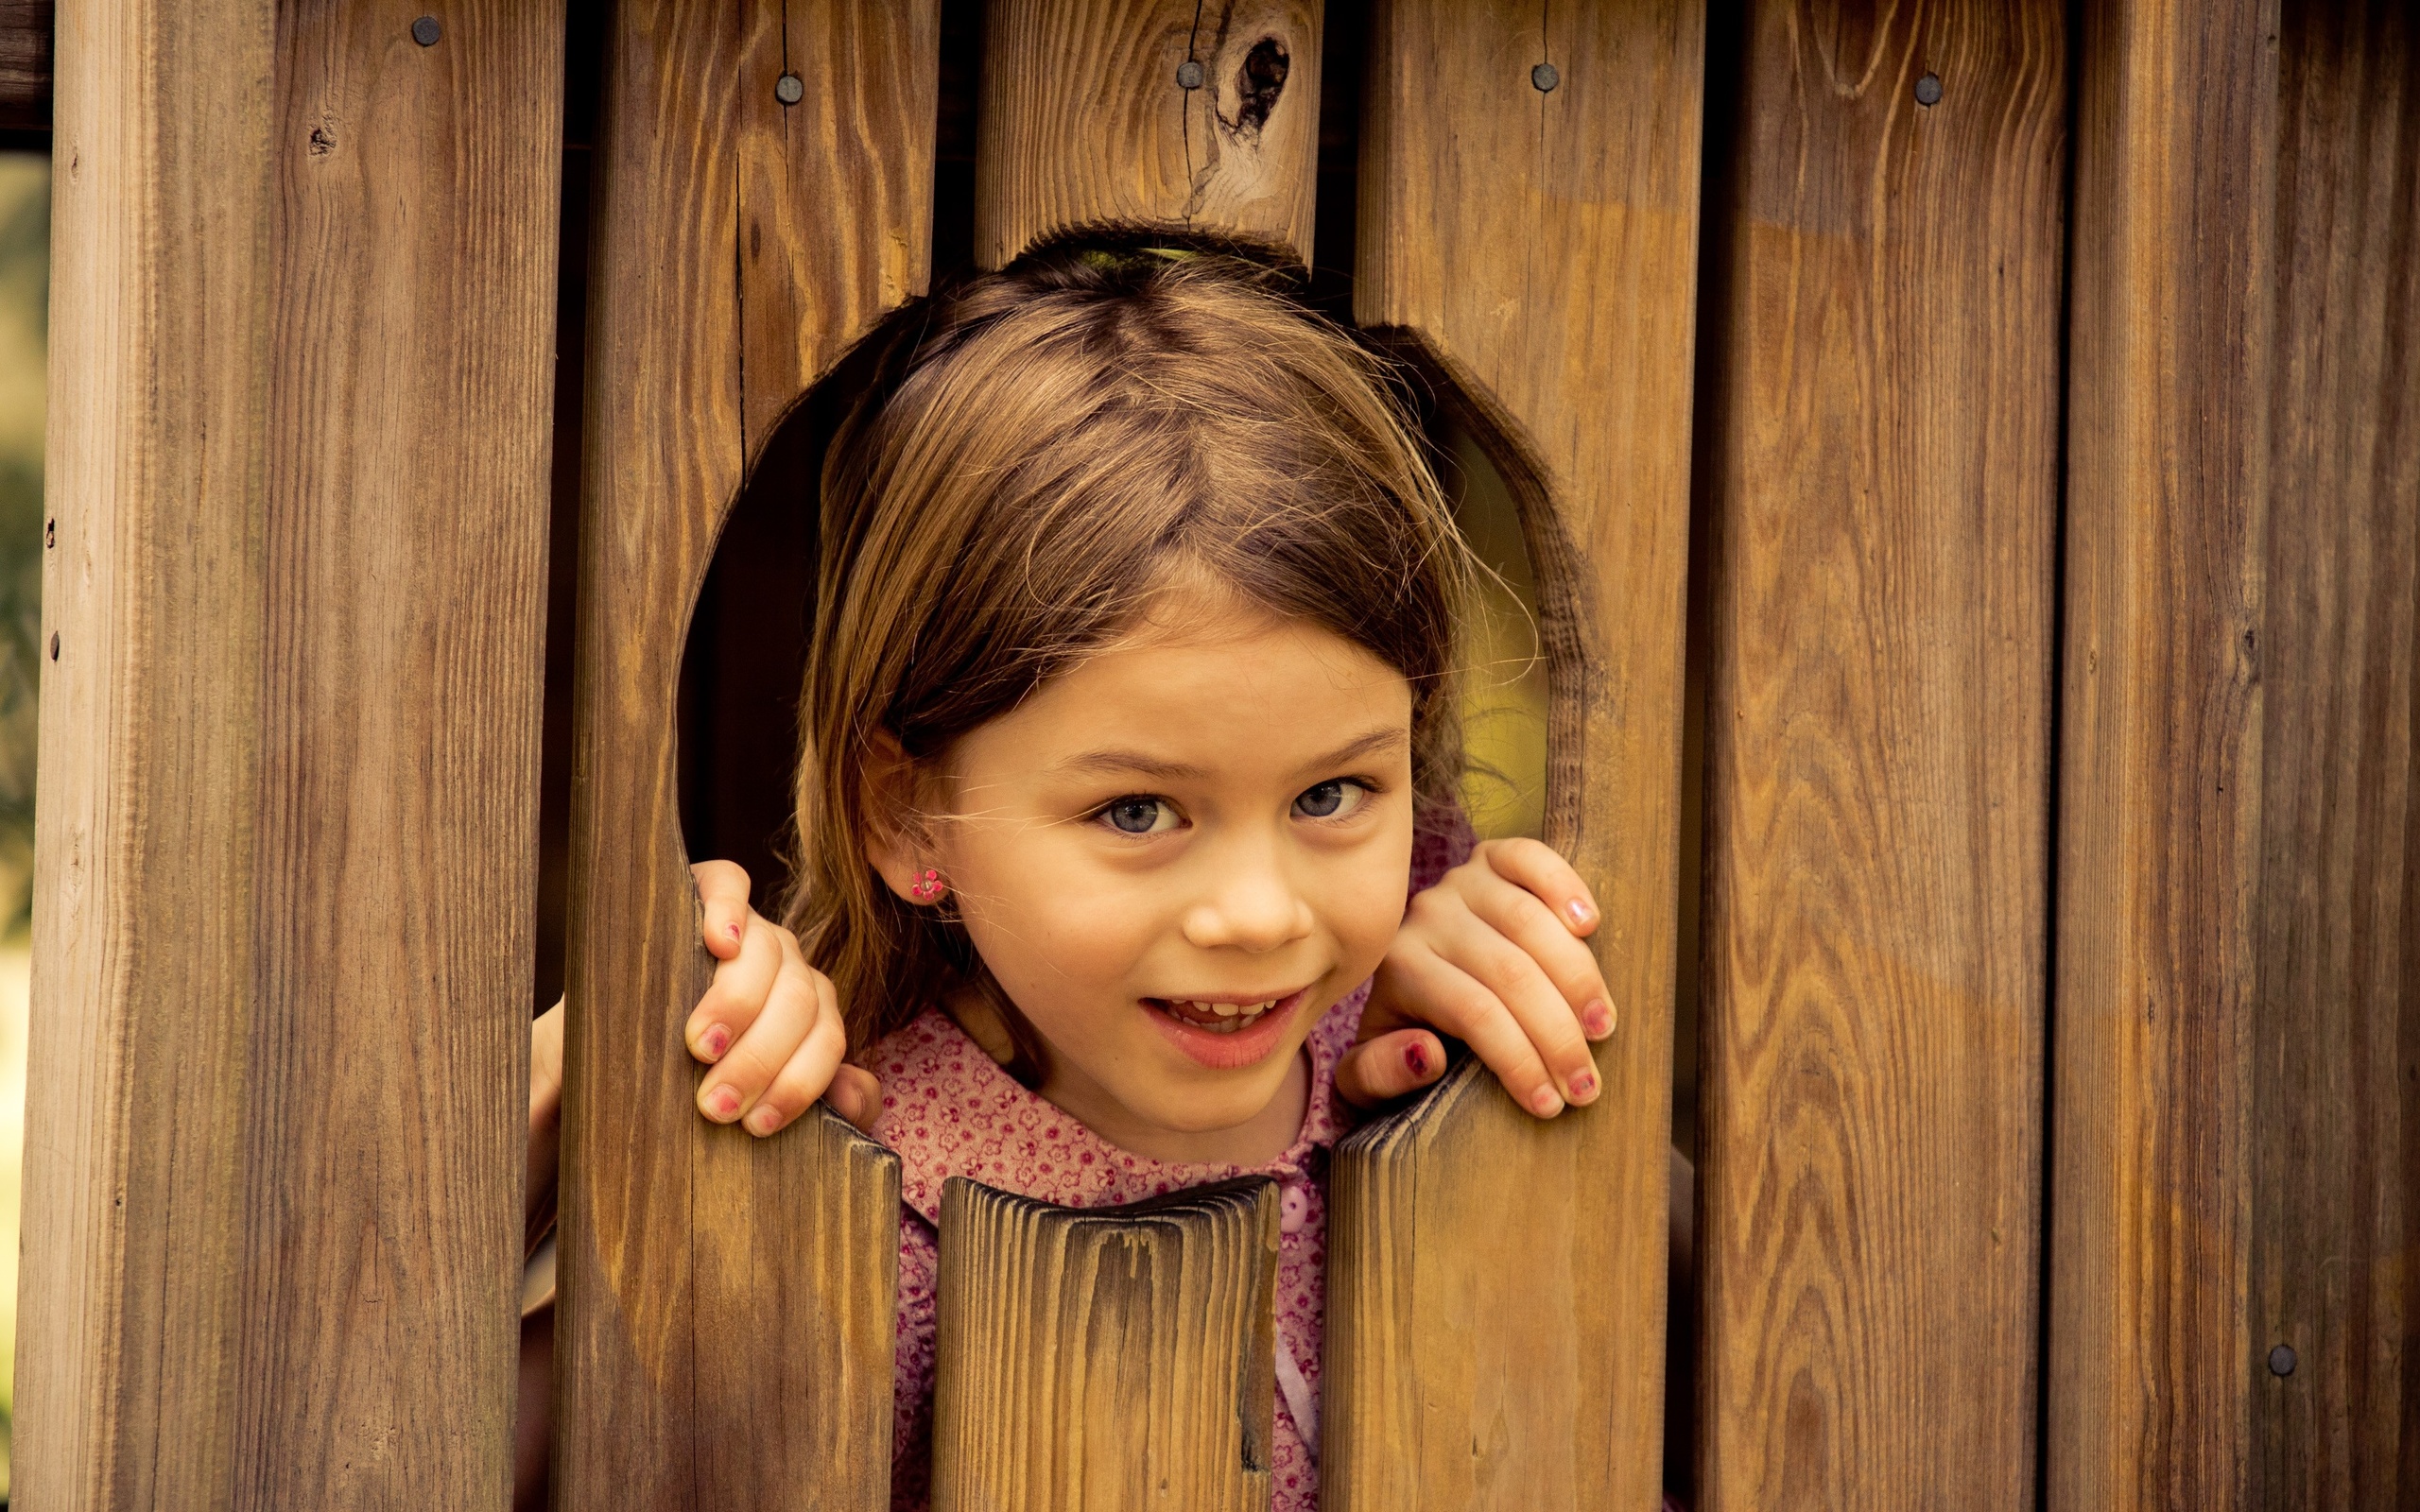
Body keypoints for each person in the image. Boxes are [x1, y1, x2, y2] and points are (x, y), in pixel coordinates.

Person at [524, 247, 1661, 1511]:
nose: (1260, 914)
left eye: (1332, 795)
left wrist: (1516, 1056)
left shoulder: (1418, 989)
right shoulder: (871, 1202)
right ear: (904, 813)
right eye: (1136, 811)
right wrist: (569, 1107)